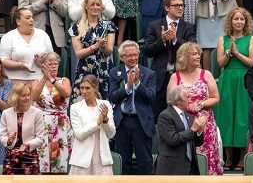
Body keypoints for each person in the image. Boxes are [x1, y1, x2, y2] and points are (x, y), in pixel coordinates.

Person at [167, 42, 222, 175]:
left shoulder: (206, 74)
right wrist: (188, 106)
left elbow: (215, 98)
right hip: (183, 123)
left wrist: (202, 104)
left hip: (205, 123)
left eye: (199, 54)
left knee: (207, 157)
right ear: (184, 57)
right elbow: (170, 100)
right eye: (194, 54)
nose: (198, 56)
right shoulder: (176, 77)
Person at [214, 8, 253, 170]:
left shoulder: (251, 39)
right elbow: (220, 63)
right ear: (230, 21)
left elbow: (252, 62)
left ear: (246, 22)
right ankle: (229, 157)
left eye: (242, 19)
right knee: (226, 116)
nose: (239, 22)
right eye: (236, 19)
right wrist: (228, 53)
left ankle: (243, 157)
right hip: (227, 80)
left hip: (244, 80)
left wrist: (237, 53)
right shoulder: (222, 39)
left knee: (242, 116)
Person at [143, 0, 196, 122]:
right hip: (160, 77)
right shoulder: (155, 25)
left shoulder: (188, 27)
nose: (180, 8)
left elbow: (192, 49)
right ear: (167, 7)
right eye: (176, 5)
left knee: (181, 117)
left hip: (181, 77)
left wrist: (175, 40)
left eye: (182, 5)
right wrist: (162, 40)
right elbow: (147, 51)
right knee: (158, 117)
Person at [108, 40, 156, 175]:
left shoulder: (148, 73)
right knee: (123, 161)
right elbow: (112, 97)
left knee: (145, 161)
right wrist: (128, 86)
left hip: (141, 122)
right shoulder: (114, 73)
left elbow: (150, 97)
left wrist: (137, 83)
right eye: (129, 56)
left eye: (135, 55)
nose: (133, 58)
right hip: (122, 121)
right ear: (122, 57)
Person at [31, 51, 73, 174]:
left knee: (58, 161)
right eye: (50, 64)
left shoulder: (64, 81)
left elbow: (66, 93)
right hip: (41, 123)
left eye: (56, 64)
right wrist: (45, 78)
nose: (54, 66)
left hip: (60, 124)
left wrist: (53, 80)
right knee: (42, 158)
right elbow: (33, 97)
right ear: (43, 65)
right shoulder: (37, 81)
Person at [69, 0, 117, 99]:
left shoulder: (108, 26)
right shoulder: (76, 27)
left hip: (104, 69)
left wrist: (102, 46)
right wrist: (95, 46)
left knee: (104, 104)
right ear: (86, 6)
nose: (95, 7)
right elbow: (79, 53)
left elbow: (109, 51)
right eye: (92, 4)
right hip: (85, 70)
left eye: (98, 5)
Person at [69, 75, 116, 175]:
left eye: (87, 88)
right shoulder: (75, 108)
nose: (84, 91)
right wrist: (97, 123)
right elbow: (79, 135)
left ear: (95, 88)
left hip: (102, 157)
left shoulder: (105, 105)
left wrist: (105, 120)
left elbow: (112, 134)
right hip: (82, 159)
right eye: (82, 88)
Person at [156, 86, 207, 175]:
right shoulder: (165, 115)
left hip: (190, 167)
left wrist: (199, 130)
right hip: (172, 167)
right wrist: (192, 130)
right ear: (178, 101)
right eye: (187, 97)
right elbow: (173, 140)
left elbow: (198, 143)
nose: (190, 100)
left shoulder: (189, 117)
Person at [0, 82, 45, 175]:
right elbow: (1, 137)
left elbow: (40, 138)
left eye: (28, 95)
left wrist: (28, 144)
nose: (27, 98)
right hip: (11, 155)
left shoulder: (37, 113)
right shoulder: (6, 113)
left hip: (30, 155)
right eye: (23, 95)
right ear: (16, 96)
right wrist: (9, 140)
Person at [0, 8, 52, 83]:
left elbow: (51, 57)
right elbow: (3, 60)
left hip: (39, 81)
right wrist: (20, 65)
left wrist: (41, 61)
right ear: (18, 21)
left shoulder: (42, 35)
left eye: (32, 17)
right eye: (27, 18)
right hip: (15, 81)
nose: (31, 20)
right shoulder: (8, 37)